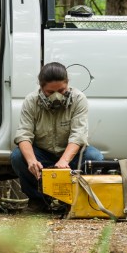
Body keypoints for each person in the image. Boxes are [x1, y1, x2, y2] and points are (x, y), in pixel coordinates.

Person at [11, 62, 104, 211]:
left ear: (68, 84)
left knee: (95, 157)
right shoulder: (31, 100)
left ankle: (72, 200)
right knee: (17, 156)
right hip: (43, 154)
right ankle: (38, 200)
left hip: (70, 155)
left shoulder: (79, 99)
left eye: (61, 90)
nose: (56, 96)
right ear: (41, 87)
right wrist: (32, 161)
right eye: (49, 92)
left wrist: (64, 161)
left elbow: (78, 135)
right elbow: (23, 135)